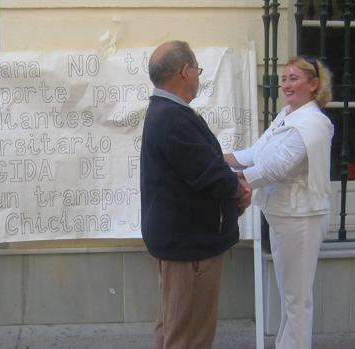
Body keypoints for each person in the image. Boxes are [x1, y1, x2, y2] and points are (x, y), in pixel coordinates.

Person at [140, 40, 251, 349]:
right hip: (191, 248)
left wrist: (233, 181)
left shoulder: (168, 112)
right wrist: (238, 188)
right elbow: (208, 172)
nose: (198, 77)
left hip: (182, 242)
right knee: (190, 336)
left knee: (173, 328)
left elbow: (203, 167)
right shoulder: (173, 117)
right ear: (185, 72)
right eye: (197, 70)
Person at [224, 56, 334, 349]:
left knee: (297, 299)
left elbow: (277, 167)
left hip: (301, 217)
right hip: (283, 213)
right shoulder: (287, 114)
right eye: (284, 78)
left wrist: (234, 181)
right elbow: (257, 152)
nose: (286, 84)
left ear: (313, 85)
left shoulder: (313, 122)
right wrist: (219, 159)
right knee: (290, 296)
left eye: (294, 78)